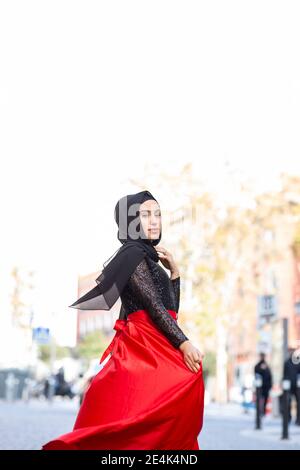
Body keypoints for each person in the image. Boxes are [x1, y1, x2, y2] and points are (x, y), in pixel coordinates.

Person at [42, 190, 205, 450]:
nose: (154, 221)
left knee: (160, 415)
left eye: (158, 214)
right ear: (131, 221)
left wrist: (175, 273)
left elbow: (171, 311)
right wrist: (184, 343)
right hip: (145, 348)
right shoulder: (132, 256)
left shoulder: (148, 258)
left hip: (158, 342)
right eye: (145, 214)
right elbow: (154, 307)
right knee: (147, 417)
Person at [283, 347, 300, 424]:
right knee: (287, 402)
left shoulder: (298, 362)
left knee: (298, 403)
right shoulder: (286, 362)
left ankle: (298, 419)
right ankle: (288, 418)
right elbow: (285, 375)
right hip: (288, 386)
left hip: (297, 386)